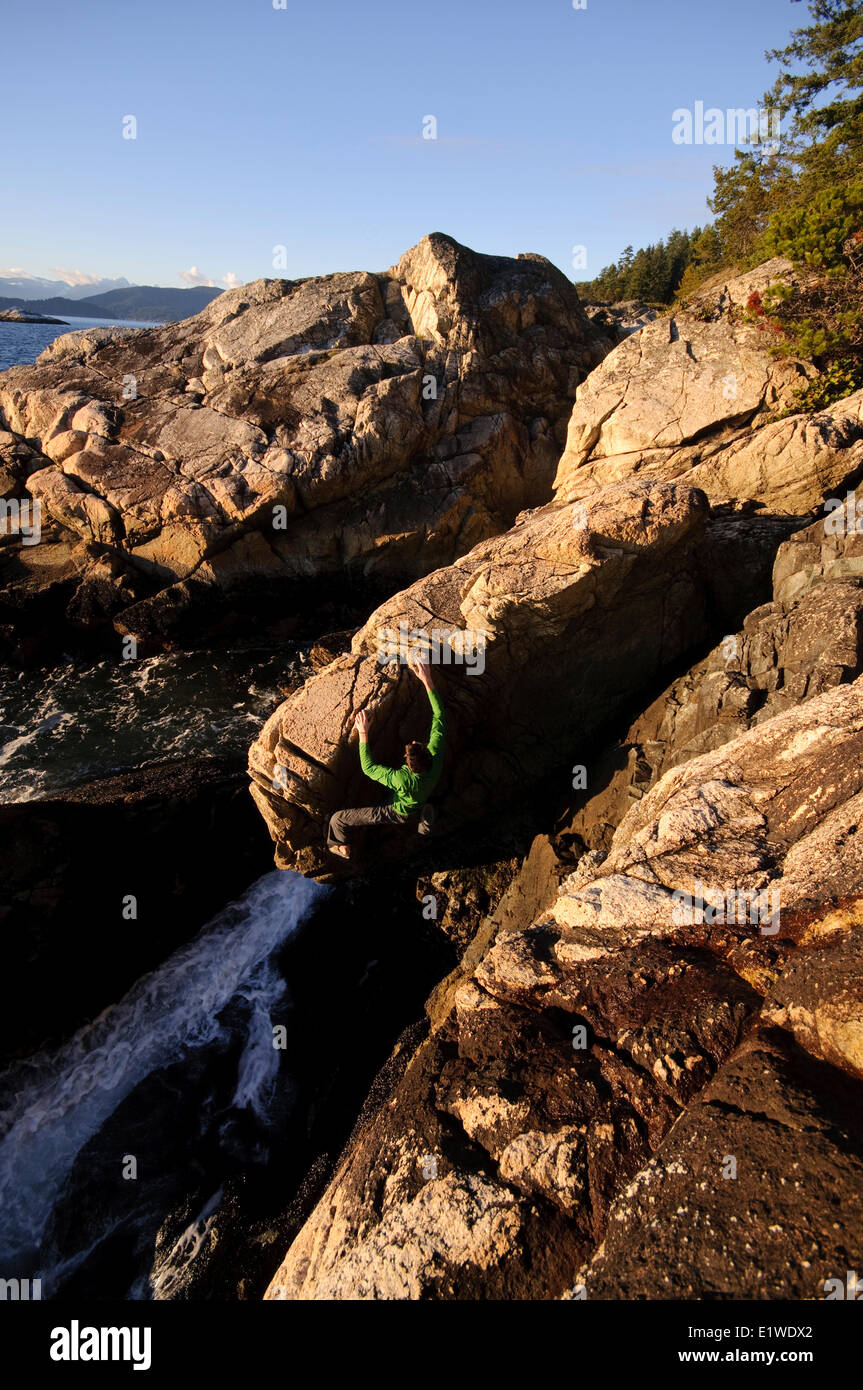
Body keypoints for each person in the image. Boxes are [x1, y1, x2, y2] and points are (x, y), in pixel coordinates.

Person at [327, 659, 446, 859]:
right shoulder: (437, 752)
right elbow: (440, 714)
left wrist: (363, 733)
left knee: (337, 819)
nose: (416, 740)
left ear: (408, 766)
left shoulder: (401, 779)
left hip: (396, 812)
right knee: (422, 806)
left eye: (413, 746)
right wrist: (428, 681)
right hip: (422, 794)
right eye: (417, 744)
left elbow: (368, 768)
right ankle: (424, 824)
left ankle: (339, 847)